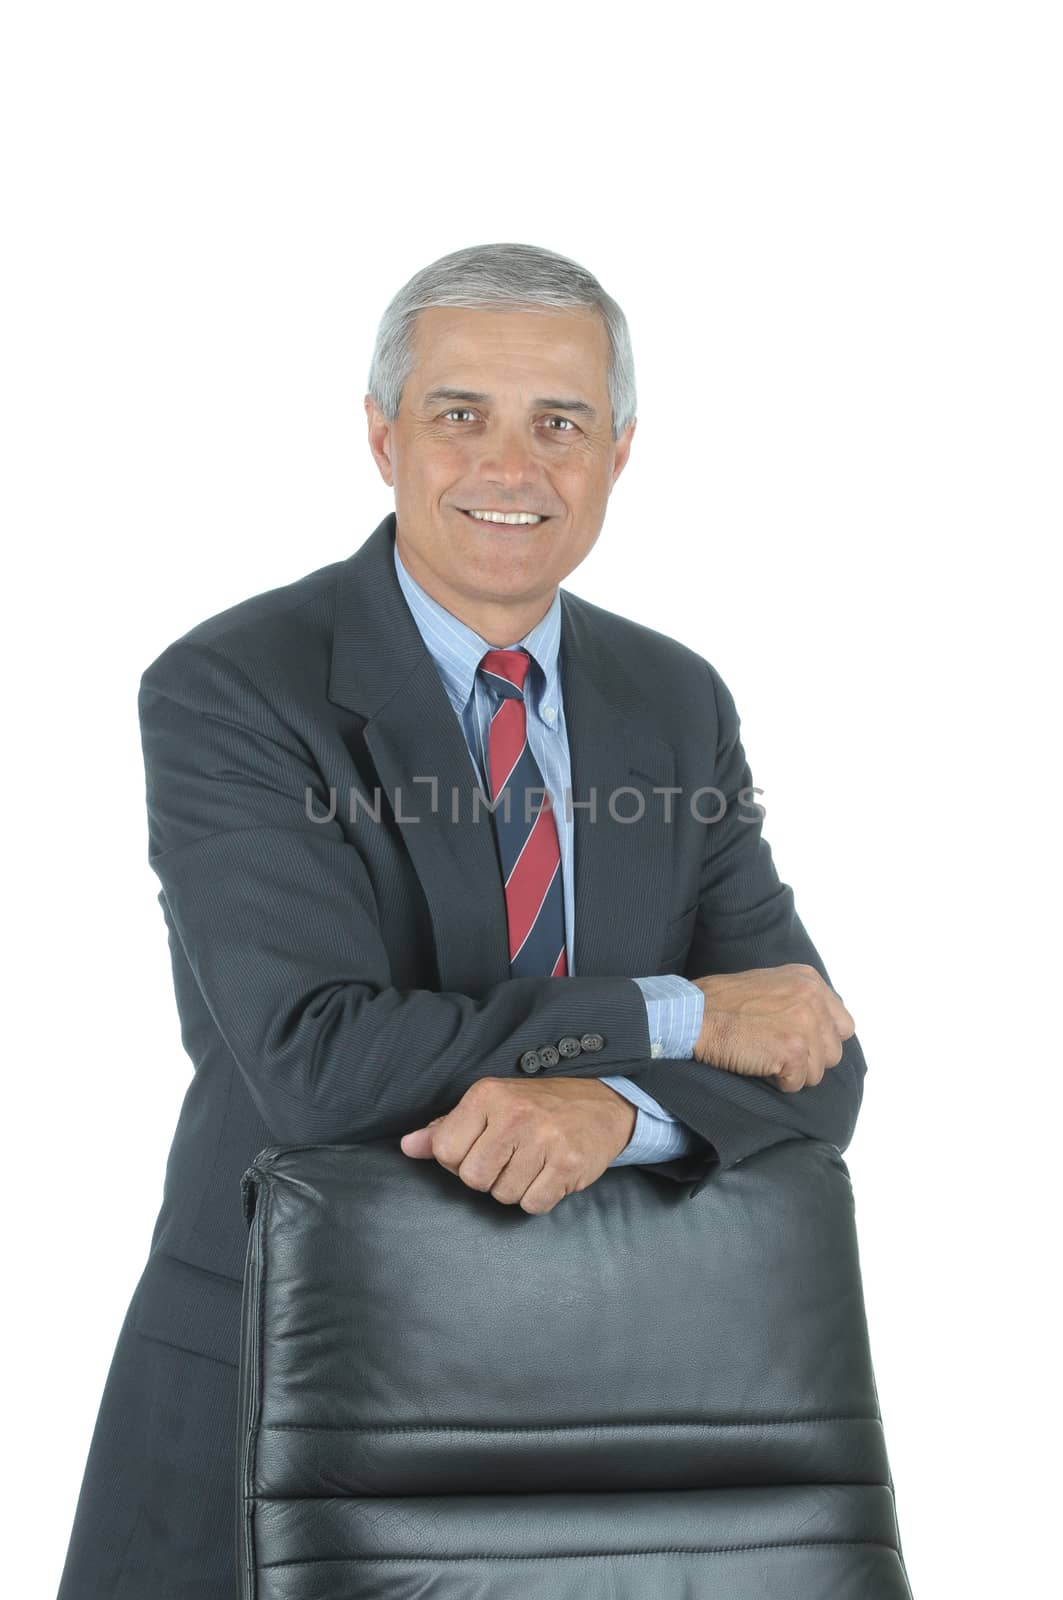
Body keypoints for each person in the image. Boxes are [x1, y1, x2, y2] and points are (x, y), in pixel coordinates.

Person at [56, 240, 864, 1597]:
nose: (510, 467)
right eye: (459, 416)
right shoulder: (232, 688)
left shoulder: (673, 700)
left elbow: (814, 1063)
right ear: (381, 437)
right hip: (285, 1385)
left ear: (619, 454)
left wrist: (618, 1108)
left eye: (559, 424)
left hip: (613, 1413)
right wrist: (676, 1018)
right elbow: (319, 1061)